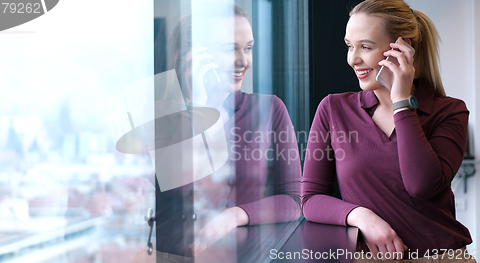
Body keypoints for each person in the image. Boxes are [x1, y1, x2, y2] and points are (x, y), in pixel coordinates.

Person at [302, 0, 474, 262]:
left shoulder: (449, 111)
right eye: (349, 46)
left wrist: (402, 103)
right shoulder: (333, 109)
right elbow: (311, 199)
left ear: (402, 49)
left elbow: (421, 185)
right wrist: (361, 216)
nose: (353, 59)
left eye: (366, 47)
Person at [154, 3, 302, 260]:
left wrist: (234, 216)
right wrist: (200, 109)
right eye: (229, 49)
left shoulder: (269, 108)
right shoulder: (163, 115)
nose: (243, 61)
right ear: (195, 55)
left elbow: (295, 201)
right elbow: (181, 192)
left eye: (248, 48)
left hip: (249, 255)